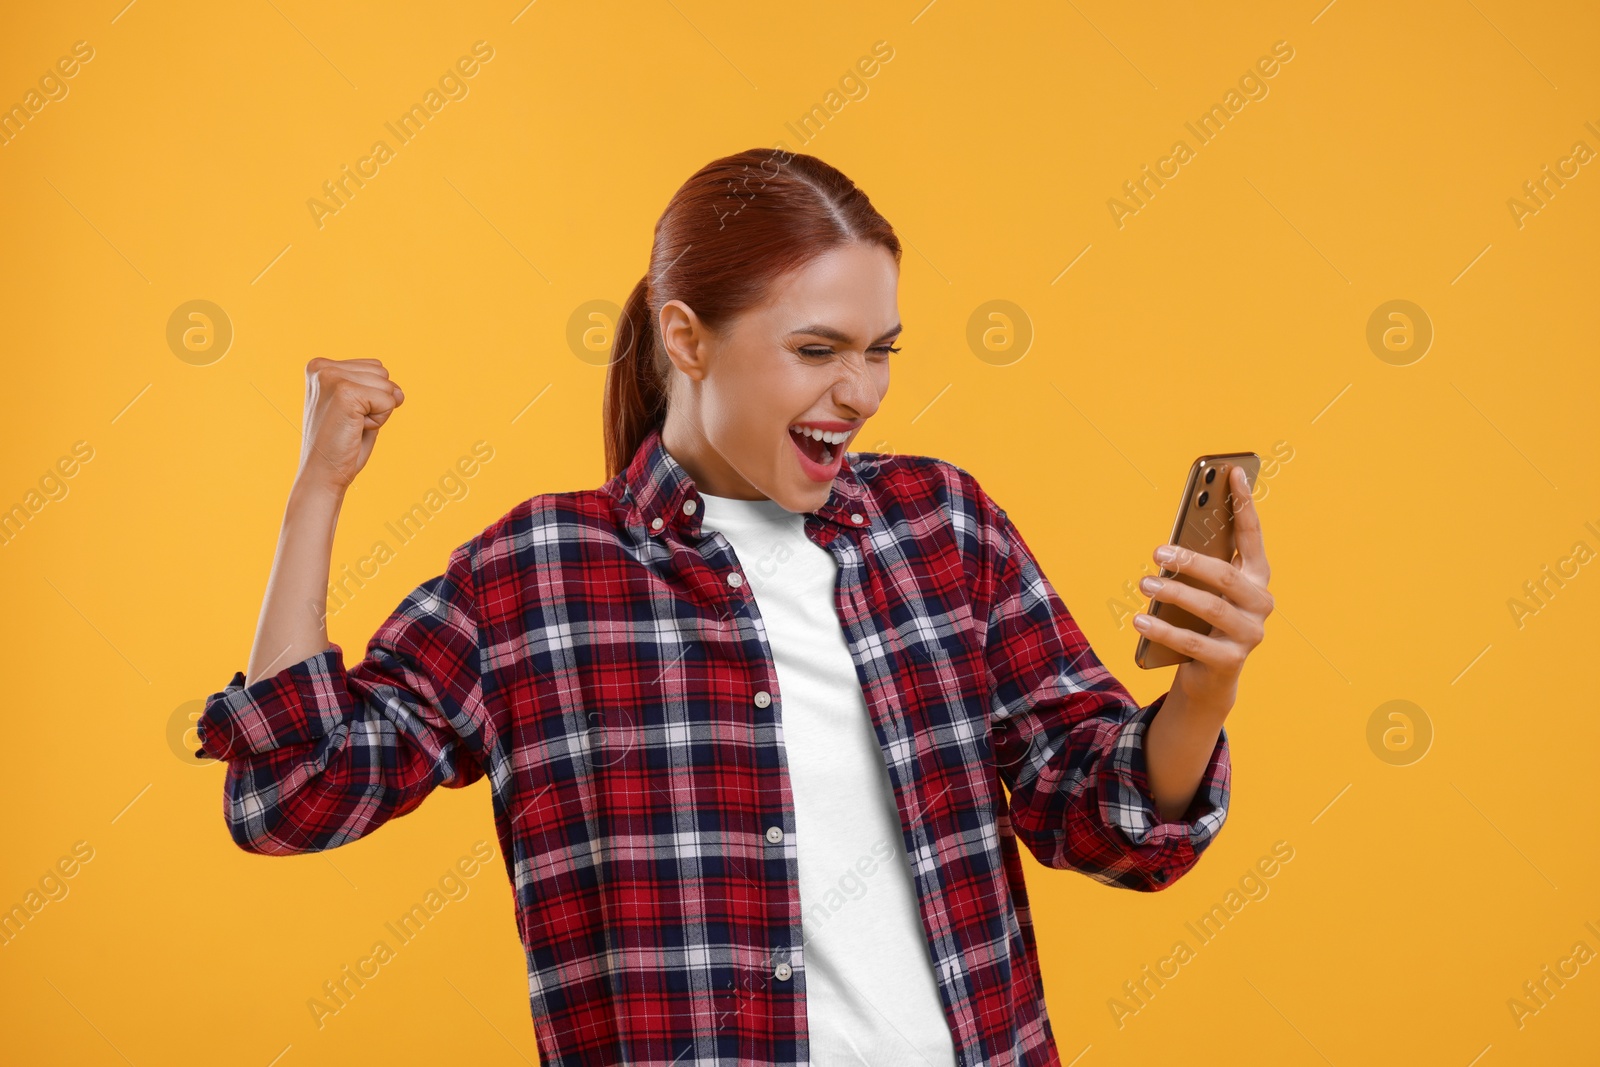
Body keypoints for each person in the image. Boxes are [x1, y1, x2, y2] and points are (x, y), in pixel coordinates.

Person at [197, 147, 1273, 1067]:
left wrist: (1203, 688)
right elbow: (292, 794)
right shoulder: (539, 573)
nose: (860, 393)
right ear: (687, 337)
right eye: (817, 350)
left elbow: (1103, 821)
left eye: (880, 351)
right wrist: (317, 493)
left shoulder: (942, 526)